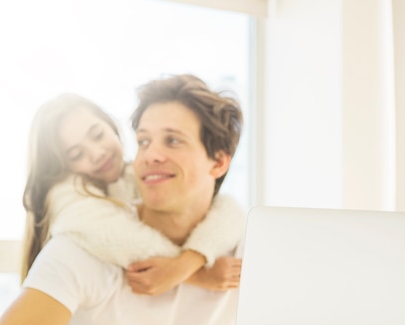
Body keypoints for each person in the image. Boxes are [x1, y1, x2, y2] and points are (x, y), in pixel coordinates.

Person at [0, 74, 244, 325]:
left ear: (219, 161)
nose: (150, 155)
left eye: (172, 140)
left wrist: (191, 262)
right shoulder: (83, 229)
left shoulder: (241, 241)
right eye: (144, 141)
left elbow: (231, 208)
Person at [22, 93, 244, 295]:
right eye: (77, 154)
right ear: (61, 169)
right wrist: (195, 273)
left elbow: (227, 209)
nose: (97, 154)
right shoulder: (66, 199)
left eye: (98, 135)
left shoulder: (135, 173)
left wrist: (194, 258)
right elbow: (122, 240)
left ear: (111, 125)